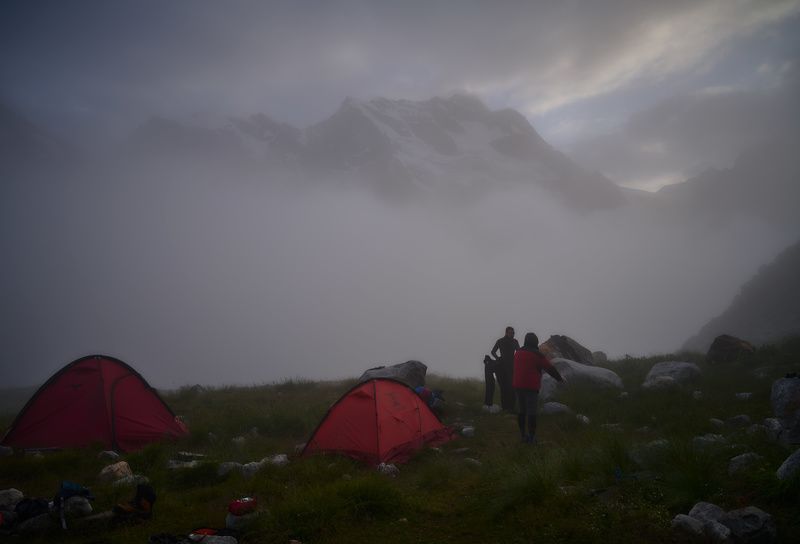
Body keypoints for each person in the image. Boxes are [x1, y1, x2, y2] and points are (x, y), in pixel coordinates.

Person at [513, 332, 565, 444]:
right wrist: (560, 379)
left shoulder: (518, 353)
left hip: (518, 386)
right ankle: (531, 438)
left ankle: (523, 435)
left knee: (521, 411)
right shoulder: (537, 355)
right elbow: (550, 368)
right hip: (531, 387)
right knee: (531, 412)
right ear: (535, 342)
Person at [490, 326, 520, 411]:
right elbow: (493, 352)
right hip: (502, 367)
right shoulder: (500, 341)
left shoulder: (515, 341)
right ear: (506, 333)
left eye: (513, 333)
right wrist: (498, 358)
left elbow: (518, 352)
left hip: (511, 367)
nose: (513, 334)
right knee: (504, 387)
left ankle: (511, 408)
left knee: (511, 387)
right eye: (511, 333)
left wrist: (516, 360)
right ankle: (505, 408)